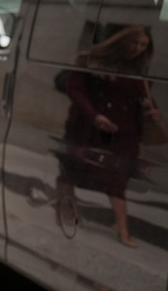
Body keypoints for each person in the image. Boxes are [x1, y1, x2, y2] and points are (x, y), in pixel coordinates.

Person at [60, 24, 160, 248]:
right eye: (135, 43)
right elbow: (74, 88)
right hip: (92, 127)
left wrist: (153, 111)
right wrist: (94, 115)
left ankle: (122, 226)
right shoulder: (92, 60)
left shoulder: (139, 67)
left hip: (124, 130)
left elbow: (144, 98)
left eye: (143, 45)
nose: (138, 48)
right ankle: (66, 206)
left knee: (119, 177)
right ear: (122, 40)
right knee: (73, 169)